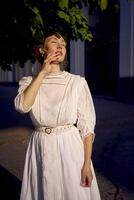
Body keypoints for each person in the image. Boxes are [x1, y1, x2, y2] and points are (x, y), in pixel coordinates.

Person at [14, 32, 101, 200]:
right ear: (42, 50)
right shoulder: (28, 81)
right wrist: (42, 73)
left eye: (63, 44)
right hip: (40, 145)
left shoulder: (77, 82)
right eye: (54, 42)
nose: (61, 46)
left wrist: (86, 165)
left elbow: (87, 127)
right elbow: (22, 107)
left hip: (69, 145)